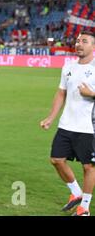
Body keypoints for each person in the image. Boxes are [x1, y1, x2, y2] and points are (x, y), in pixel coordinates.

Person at [40, 31, 95, 216]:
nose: (79, 44)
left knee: (89, 167)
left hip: (89, 127)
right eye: (78, 41)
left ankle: (84, 208)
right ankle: (76, 193)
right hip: (66, 124)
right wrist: (50, 117)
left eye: (84, 41)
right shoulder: (68, 67)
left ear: (93, 47)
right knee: (56, 160)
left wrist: (92, 94)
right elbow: (61, 93)